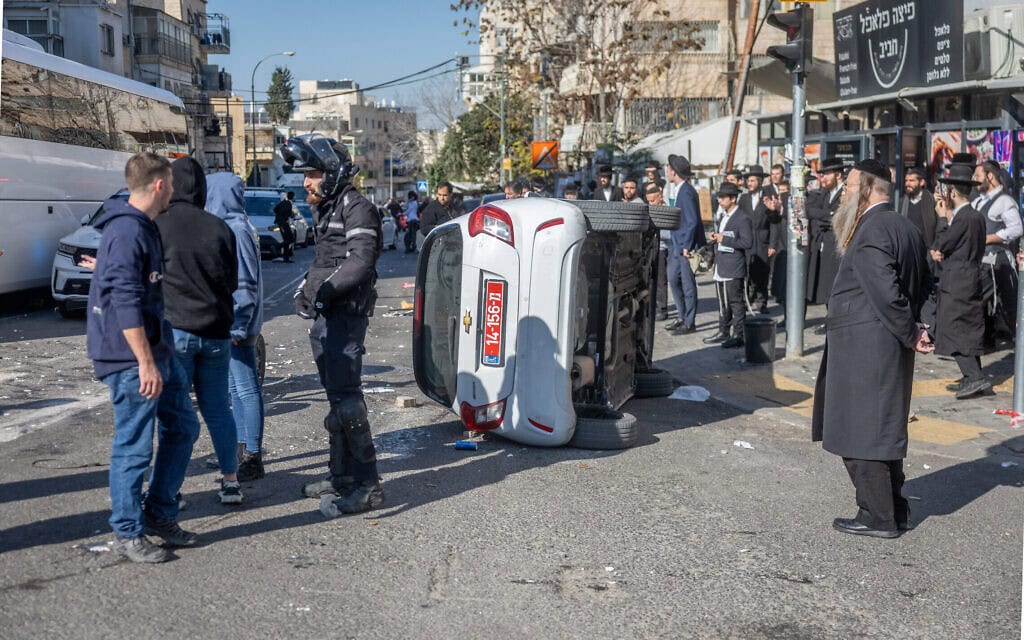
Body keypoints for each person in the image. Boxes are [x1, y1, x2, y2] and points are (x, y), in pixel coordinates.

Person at [86, 152, 201, 563]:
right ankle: (128, 531)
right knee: (134, 446)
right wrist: (145, 363)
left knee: (183, 427)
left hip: (157, 349)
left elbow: (129, 282)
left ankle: (159, 514)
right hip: (131, 359)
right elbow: (124, 301)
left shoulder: (142, 228)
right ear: (158, 185)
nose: (174, 188)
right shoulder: (128, 231)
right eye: (170, 182)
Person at [811, 158, 932, 539]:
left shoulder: (871, 230)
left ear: (866, 189)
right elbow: (927, 285)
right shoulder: (904, 227)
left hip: (867, 346)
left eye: (848, 186)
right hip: (885, 343)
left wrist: (911, 331)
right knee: (880, 428)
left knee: (859, 431)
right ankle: (896, 509)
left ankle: (877, 515)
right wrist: (920, 327)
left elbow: (886, 292)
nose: (843, 193)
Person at [281, 133, 385, 515]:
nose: (305, 181)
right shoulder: (328, 207)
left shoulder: (356, 207)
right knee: (335, 401)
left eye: (311, 173)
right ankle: (341, 476)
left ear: (332, 171)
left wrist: (324, 291)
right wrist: (305, 290)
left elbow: (360, 261)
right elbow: (325, 261)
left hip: (346, 316)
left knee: (347, 399)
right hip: (328, 317)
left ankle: (368, 485)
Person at [156, 158, 242, 505]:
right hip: (217, 332)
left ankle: (170, 488)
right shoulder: (220, 228)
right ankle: (231, 481)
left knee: (175, 414)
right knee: (219, 408)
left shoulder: (158, 225)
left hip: (176, 332)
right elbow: (232, 282)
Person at [206, 172, 266, 481]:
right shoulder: (232, 226)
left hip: (239, 325)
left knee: (245, 387)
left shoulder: (237, 229)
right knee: (235, 389)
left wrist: (239, 326)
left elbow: (245, 286)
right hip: (232, 324)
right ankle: (242, 448)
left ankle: (253, 454)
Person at [931, 161, 991, 399]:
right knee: (965, 328)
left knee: (953, 329)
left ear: (953, 192)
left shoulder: (963, 217)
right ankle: (971, 376)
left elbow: (943, 243)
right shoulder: (976, 215)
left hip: (958, 280)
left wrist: (942, 218)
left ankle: (975, 377)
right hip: (969, 276)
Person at [972, 159, 1023, 341]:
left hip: (998, 260)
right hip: (981, 261)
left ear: (990, 176)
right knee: (979, 302)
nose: (974, 179)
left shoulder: (1004, 201)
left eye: (977, 176)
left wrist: (990, 238)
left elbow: (1016, 228)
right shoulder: (978, 201)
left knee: (1012, 308)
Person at [704, 182, 752, 348]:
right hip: (721, 263)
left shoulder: (742, 218)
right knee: (722, 301)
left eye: (723, 197)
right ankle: (723, 330)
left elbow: (747, 242)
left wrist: (724, 239)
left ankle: (739, 335)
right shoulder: (723, 215)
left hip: (733, 266)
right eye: (719, 197)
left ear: (733, 199)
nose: (719, 200)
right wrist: (715, 238)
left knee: (736, 302)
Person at [664, 154, 705, 335]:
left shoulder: (686, 192)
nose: (666, 171)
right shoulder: (679, 190)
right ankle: (681, 315)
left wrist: (687, 246)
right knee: (673, 279)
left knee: (688, 285)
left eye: (668, 168)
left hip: (684, 247)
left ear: (673, 171)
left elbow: (692, 222)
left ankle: (689, 321)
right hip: (676, 245)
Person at [805, 157, 847, 331]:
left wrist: (825, 216)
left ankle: (837, 320)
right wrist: (826, 215)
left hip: (837, 244)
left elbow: (840, 216)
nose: (822, 179)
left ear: (837, 175)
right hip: (823, 243)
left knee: (836, 285)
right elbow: (810, 211)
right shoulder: (825, 194)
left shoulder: (844, 193)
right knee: (827, 285)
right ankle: (830, 318)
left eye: (826, 174)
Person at [739, 165, 775, 314]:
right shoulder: (744, 198)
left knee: (762, 272)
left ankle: (762, 302)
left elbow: (773, 223)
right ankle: (748, 299)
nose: (750, 183)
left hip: (762, 239)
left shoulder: (768, 196)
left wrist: (772, 244)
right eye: (748, 180)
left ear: (759, 182)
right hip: (748, 239)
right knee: (747, 270)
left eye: (752, 180)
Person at [647, 182, 672, 321]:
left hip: (663, 248)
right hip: (653, 247)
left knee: (661, 280)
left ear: (660, 198)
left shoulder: (667, 210)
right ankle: (653, 306)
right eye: (648, 201)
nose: (650, 204)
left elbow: (669, 234)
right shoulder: (650, 211)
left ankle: (662, 308)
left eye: (653, 200)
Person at [900, 167, 939, 246]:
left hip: (927, 250)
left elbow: (939, 227)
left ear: (921, 182)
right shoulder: (901, 202)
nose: (907, 184)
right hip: (907, 247)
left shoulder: (932, 201)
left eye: (911, 181)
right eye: (906, 181)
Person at [272, 191, 297, 263]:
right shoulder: (288, 204)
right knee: (290, 239)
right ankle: (278, 247)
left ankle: (286, 257)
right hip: (283, 223)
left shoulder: (284, 202)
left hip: (282, 223)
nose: (295, 198)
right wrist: (284, 218)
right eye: (294, 196)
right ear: (292, 197)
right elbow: (284, 212)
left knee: (287, 239)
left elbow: (275, 209)